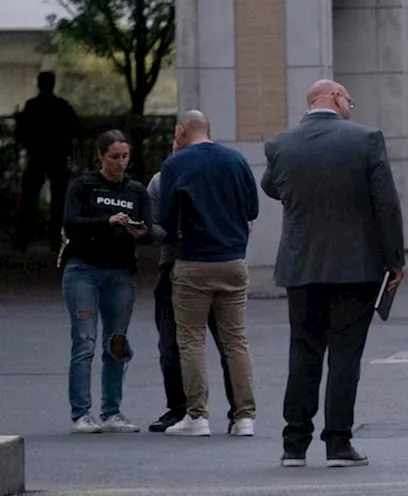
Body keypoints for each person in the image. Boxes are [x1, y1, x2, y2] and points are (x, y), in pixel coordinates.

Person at [262, 79, 406, 468]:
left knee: (303, 350)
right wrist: (395, 258)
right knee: (344, 354)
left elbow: (272, 188)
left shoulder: (280, 144)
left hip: (300, 265)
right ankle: (338, 443)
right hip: (355, 266)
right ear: (337, 99)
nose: (351, 108)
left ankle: (294, 444)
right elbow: (385, 202)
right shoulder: (366, 140)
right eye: (350, 101)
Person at [158, 111, 259, 438]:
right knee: (235, 340)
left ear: (181, 131)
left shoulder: (175, 165)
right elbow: (253, 209)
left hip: (193, 261)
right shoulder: (236, 160)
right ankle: (244, 417)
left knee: (190, 340)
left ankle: (197, 416)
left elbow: (167, 220)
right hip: (233, 259)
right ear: (209, 128)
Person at [59, 129, 154, 434]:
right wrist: (106, 222)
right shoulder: (84, 186)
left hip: (120, 273)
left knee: (117, 342)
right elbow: (70, 223)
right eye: (113, 157)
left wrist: (141, 232)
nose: (120, 163)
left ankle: (112, 411)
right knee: (84, 341)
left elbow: (151, 229)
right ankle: (81, 413)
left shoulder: (136, 191)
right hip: (83, 270)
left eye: (125, 157)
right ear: (100, 156)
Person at [146, 134, 237, 434]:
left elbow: (159, 227)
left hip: (181, 266)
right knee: (231, 342)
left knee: (182, 342)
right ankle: (241, 414)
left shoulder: (164, 178)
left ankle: (188, 413)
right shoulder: (229, 171)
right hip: (225, 261)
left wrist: (168, 234)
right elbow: (247, 215)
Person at [15, 71, 80, 252]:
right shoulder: (62, 106)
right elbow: (75, 129)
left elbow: (21, 133)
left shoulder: (32, 106)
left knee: (29, 198)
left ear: (39, 84)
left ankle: (23, 238)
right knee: (59, 200)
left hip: (36, 156)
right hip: (58, 157)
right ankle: (55, 238)